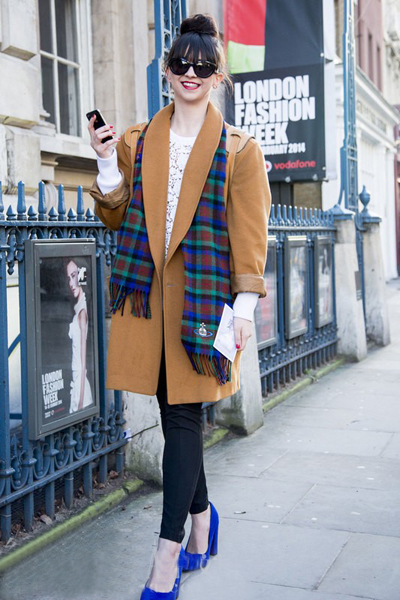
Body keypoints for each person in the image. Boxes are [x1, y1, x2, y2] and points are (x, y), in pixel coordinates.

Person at [89, 13, 271, 599]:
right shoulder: (138, 140)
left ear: (218, 76)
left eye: (203, 65)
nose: (191, 73)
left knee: (185, 420)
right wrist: (105, 161)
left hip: (203, 305)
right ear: (166, 71)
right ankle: (202, 520)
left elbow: (250, 237)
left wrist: (244, 308)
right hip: (149, 305)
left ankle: (166, 556)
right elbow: (116, 215)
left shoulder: (240, 150)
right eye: (181, 63)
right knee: (175, 420)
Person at [66, 259, 93, 413]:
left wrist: (81, 401)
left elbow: (83, 363)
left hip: (79, 382)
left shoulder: (82, 311)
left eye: (74, 275)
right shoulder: (79, 308)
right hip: (76, 379)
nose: (71, 283)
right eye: (69, 278)